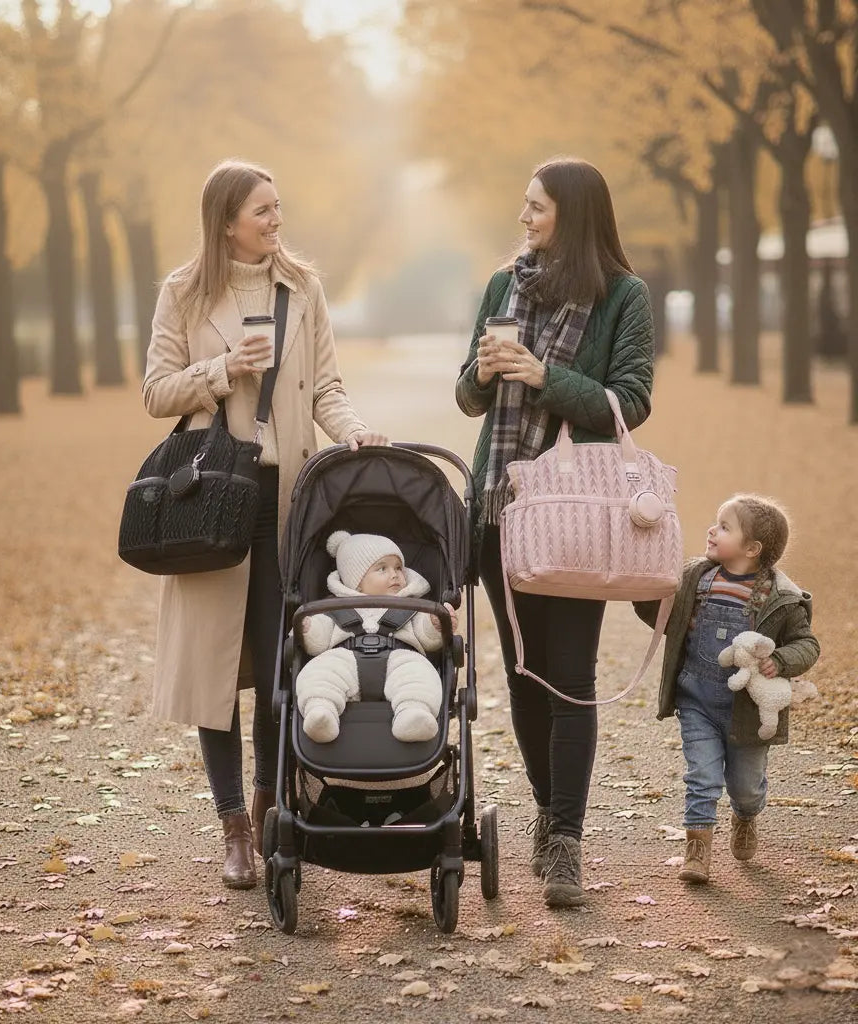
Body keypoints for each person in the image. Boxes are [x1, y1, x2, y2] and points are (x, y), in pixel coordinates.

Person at [142, 160, 387, 891]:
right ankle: (234, 829)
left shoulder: (302, 288)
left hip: (287, 500)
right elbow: (156, 392)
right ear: (226, 222)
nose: (277, 220)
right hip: (214, 496)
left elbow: (330, 388)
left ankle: (271, 808)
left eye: (279, 207)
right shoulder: (183, 292)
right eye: (262, 211)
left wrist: (355, 433)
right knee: (215, 672)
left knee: (281, 663)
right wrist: (221, 368)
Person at [455, 158, 655, 908]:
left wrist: (543, 377)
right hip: (499, 513)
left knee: (570, 679)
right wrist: (482, 372)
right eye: (523, 207)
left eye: (536, 208)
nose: (525, 219)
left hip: (576, 516)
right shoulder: (503, 286)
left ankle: (566, 841)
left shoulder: (624, 297)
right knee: (522, 677)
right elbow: (467, 396)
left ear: (572, 214)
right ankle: (546, 814)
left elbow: (630, 401)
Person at [635, 495, 820, 885]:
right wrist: (642, 588)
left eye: (724, 526)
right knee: (701, 774)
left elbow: (808, 645)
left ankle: (747, 815)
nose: (712, 530)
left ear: (752, 549)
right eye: (716, 522)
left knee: (745, 787)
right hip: (696, 698)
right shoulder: (695, 579)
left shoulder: (781, 598)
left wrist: (782, 660)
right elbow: (662, 617)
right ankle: (697, 848)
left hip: (748, 710)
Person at [296, 531, 457, 743]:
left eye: (398, 567)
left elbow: (427, 638)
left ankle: (413, 715)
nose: (395, 574)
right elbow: (318, 640)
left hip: (401, 659)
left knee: (419, 673)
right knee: (320, 672)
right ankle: (321, 713)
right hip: (344, 659)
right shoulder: (333, 607)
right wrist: (307, 628)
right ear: (356, 582)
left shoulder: (413, 605)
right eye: (382, 568)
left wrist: (436, 625)